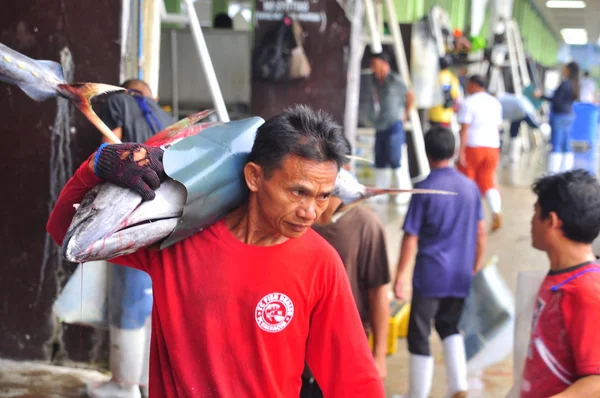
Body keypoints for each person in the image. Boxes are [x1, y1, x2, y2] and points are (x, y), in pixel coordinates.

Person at [46, 105, 385, 397]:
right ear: (254, 177)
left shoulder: (320, 263)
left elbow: (353, 379)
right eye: (298, 192)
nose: (311, 212)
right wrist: (96, 165)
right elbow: (69, 233)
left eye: (323, 195)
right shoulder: (178, 239)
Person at [88, 78, 175, 398]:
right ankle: (142, 382)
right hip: (164, 221)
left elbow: (110, 150)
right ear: (152, 96)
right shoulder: (166, 116)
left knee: (128, 297)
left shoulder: (116, 104)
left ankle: (122, 385)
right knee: (151, 302)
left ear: (124, 92)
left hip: (128, 213)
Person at [394, 126, 486, 398]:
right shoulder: (470, 187)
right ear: (454, 151)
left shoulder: (424, 188)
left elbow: (411, 237)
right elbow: (481, 233)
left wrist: (400, 276)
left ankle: (418, 395)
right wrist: (474, 265)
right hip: (460, 273)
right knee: (448, 325)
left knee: (419, 334)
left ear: (427, 152)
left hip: (431, 274)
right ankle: (459, 386)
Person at [300, 141, 391, 397]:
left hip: (344, 352)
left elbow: (378, 294)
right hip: (299, 356)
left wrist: (379, 355)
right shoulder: (298, 220)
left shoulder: (367, 225)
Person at [521, 169, 600, 397]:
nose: (531, 222)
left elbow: (596, 381)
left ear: (552, 222)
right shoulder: (559, 278)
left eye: (536, 214)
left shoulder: (587, 291)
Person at [457, 75, 504, 231]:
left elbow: (464, 130)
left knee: (467, 183)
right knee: (488, 182)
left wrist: (460, 152)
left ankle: (468, 218)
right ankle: (496, 210)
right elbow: (498, 126)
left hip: (473, 147)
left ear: (474, 85)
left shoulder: (468, 103)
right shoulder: (495, 103)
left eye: (469, 85)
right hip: (492, 147)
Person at [370, 52, 415, 204]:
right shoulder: (376, 81)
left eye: (375, 65)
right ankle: (381, 192)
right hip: (380, 124)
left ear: (384, 64)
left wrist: (405, 115)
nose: (373, 68)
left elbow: (410, 95)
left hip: (394, 124)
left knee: (397, 158)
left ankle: (404, 192)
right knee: (380, 159)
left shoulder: (395, 80)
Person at [534, 62, 580, 174]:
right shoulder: (575, 84)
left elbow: (556, 100)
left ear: (568, 70)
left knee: (556, 143)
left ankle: (553, 171)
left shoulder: (565, 84)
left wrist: (542, 96)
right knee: (565, 143)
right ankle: (566, 170)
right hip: (569, 115)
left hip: (559, 116)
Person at [496, 92, 540, 165]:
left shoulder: (500, 100)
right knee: (514, 134)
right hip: (521, 112)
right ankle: (513, 155)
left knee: (514, 133)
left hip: (519, 113)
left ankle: (513, 155)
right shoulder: (505, 98)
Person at [428, 55, 460, 129]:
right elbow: (455, 96)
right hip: (446, 115)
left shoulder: (436, 76)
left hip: (433, 114)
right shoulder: (453, 78)